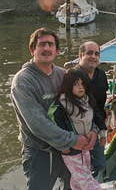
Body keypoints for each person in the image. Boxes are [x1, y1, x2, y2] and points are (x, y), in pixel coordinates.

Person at [10, 28, 94, 190]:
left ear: (56, 51)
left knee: (72, 186)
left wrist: (94, 130)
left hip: (69, 150)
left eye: (51, 44)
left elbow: (84, 105)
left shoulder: (65, 76)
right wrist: (74, 140)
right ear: (32, 49)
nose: (47, 48)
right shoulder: (23, 81)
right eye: (41, 44)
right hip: (41, 152)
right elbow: (38, 124)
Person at [51, 68, 102, 190]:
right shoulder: (62, 105)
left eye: (83, 84)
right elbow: (56, 126)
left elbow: (93, 119)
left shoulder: (87, 100)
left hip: (85, 148)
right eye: (76, 84)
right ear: (68, 85)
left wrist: (94, 132)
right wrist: (64, 146)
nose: (81, 87)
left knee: (80, 177)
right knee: (84, 178)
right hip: (71, 150)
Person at [78, 41, 108, 178]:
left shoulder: (101, 75)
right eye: (89, 53)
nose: (93, 57)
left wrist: (102, 130)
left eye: (96, 54)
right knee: (80, 169)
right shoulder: (73, 76)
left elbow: (100, 105)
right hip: (79, 129)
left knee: (100, 164)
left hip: (98, 125)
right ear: (80, 55)